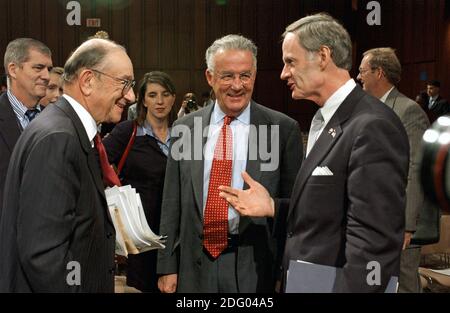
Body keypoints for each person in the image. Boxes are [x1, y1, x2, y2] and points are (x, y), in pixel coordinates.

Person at [219, 14, 409, 292]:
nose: (283, 73)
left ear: (322, 56)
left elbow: (374, 246)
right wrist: (273, 207)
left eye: (290, 62)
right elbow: (330, 214)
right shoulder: (327, 120)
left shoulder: (372, 126)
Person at [157, 34, 302, 293]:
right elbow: (171, 203)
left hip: (256, 268)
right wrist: (167, 265)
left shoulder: (282, 129)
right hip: (194, 267)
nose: (237, 85)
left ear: (254, 77)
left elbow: (294, 209)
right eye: (227, 76)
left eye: (245, 76)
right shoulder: (184, 129)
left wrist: (285, 270)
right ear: (210, 78)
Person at [0, 38, 136, 292]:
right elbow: (44, 257)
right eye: (124, 83)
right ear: (87, 81)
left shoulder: (64, 128)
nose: (131, 95)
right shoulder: (59, 138)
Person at [357, 47, 430, 292]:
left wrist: (408, 225)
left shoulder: (408, 110)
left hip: (399, 223)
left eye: (362, 71)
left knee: (404, 284)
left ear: (379, 73)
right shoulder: (365, 110)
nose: (358, 77)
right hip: (370, 220)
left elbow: (416, 168)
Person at [103, 71, 177, 292]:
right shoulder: (129, 131)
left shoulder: (184, 133)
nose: (160, 101)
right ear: (143, 99)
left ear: (174, 97)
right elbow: (97, 163)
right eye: (153, 95)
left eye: (165, 94)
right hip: (141, 234)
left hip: (174, 233)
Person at [0, 38, 52, 217]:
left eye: (49, 69)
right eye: (38, 68)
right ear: (13, 70)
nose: (46, 76)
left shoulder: (57, 120)